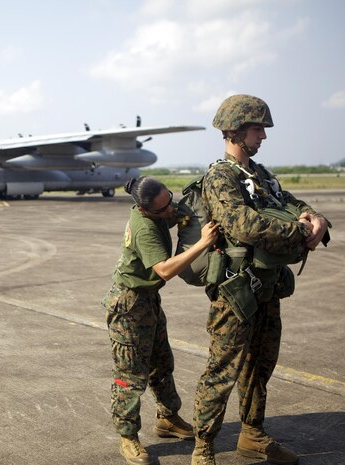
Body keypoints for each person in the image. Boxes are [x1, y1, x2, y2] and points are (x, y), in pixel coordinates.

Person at [190, 95, 331, 465]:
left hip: (267, 287)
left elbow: (290, 201)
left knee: (260, 365)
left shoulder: (261, 175)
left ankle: (252, 435)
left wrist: (313, 217)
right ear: (235, 131)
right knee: (222, 369)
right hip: (236, 290)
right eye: (258, 128)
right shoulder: (220, 177)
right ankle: (203, 446)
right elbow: (243, 225)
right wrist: (298, 233)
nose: (264, 135)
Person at [103, 176, 219, 465]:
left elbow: (179, 214)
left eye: (170, 199)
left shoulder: (159, 210)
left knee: (162, 364)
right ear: (145, 210)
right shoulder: (144, 227)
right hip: (129, 306)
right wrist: (202, 243)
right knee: (130, 376)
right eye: (163, 208)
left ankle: (168, 419)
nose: (171, 209)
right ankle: (128, 437)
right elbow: (165, 270)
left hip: (148, 300)